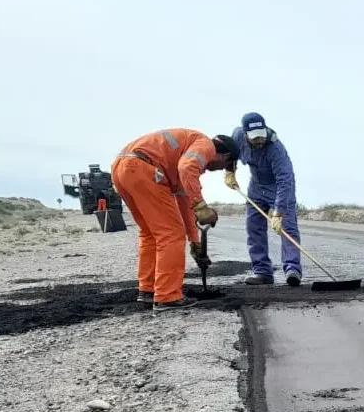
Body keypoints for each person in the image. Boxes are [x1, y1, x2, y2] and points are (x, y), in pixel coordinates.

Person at [111, 129, 237, 312]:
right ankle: (167, 297)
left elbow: (185, 203)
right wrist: (202, 207)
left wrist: (195, 243)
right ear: (225, 155)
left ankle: (148, 290)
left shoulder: (182, 155)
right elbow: (188, 169)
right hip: (143, 168)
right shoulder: (205, 146)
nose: (219, 169)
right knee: (171, 234)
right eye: (226, 165)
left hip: (122, 168)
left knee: (151, 233)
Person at [224, 112, 303, 286]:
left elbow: (285, 180)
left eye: (261, 136)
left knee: (287, 229)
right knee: (254, 228)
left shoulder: (276, 149)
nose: (259, 140)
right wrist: (230, 172)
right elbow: (230, 153)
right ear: (245, 134)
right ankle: (262, 272)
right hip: (256, 188)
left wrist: (279, 212)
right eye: (254, 137)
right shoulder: (237, 135)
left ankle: (292, 270)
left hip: (278, 188)